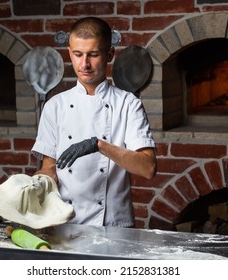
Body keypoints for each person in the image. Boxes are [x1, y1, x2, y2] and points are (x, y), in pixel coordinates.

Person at [32, 17, 157, 227]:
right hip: (66, 222)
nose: (84, 64)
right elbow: (50, 168)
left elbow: (148, 168)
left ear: (109, 54)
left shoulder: (128, 104)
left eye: (93, 55)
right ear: (69, 53)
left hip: (113, 224)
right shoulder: (55, 106)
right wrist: (35, 182)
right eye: (78, 54)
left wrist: (99, 145)